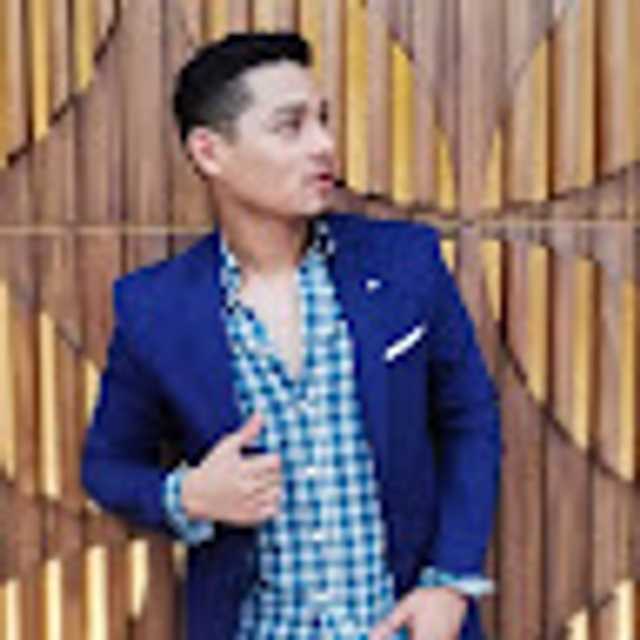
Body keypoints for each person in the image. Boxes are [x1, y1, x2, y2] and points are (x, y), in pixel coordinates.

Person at [81, 33, 501, 640]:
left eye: (323, 120)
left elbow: (470, 419)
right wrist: (188, 495)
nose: (323, 145)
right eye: (290, 126)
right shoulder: (157, 308)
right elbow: (108, 466)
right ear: (209, 152)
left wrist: (451, 581)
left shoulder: (405, 263)